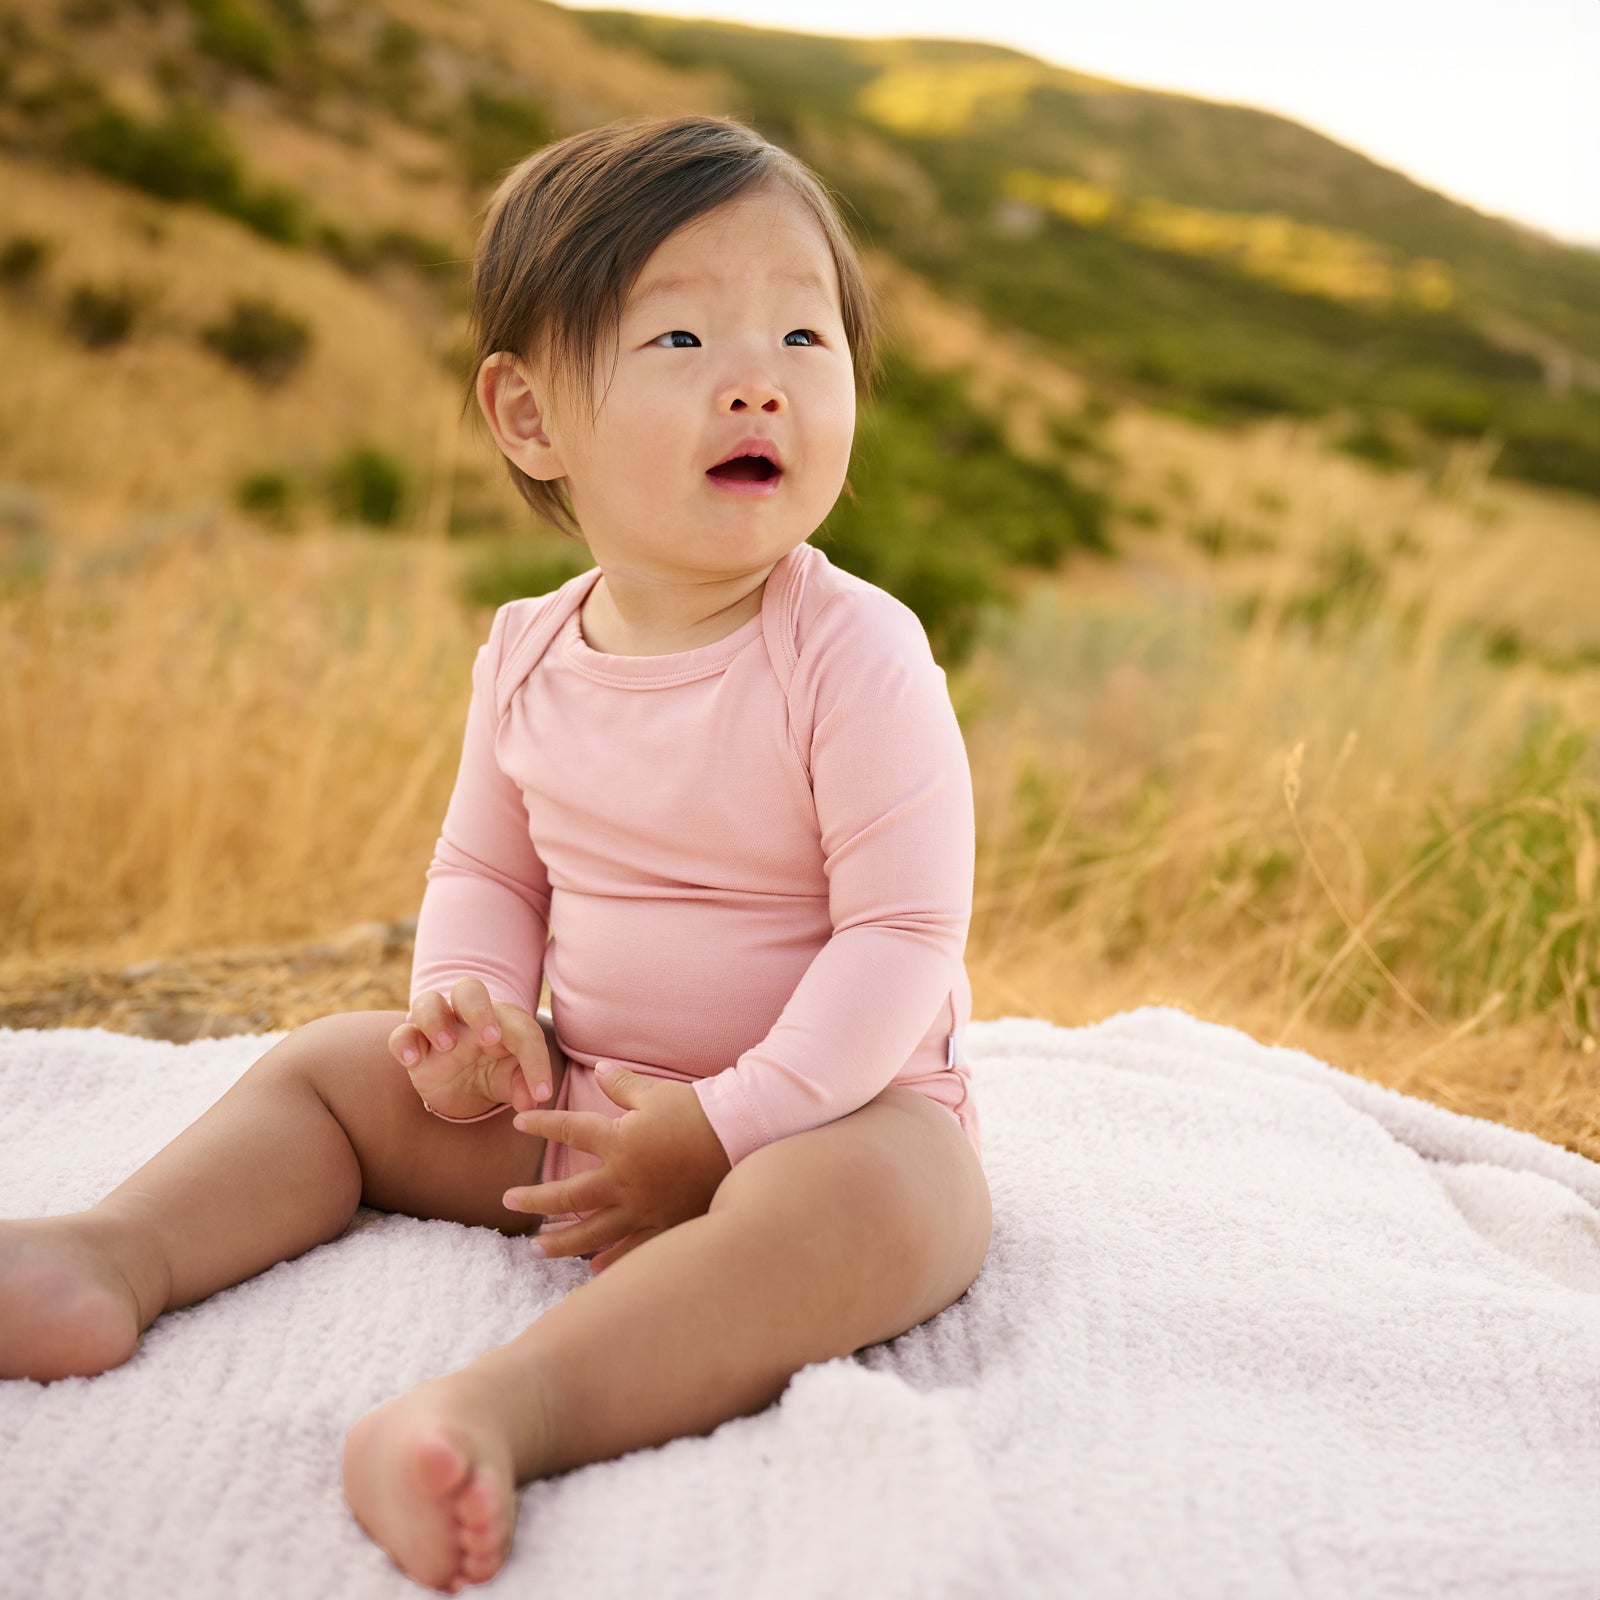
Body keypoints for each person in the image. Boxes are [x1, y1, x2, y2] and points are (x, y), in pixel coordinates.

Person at [0, 113, 993, 1593]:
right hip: (584, 1115)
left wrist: (727, 1130)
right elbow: (490, 874)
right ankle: (110, 1254)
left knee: (885, 1208)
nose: (757, 378)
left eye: (805, 333)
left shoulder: (852, 650)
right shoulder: (530, 651)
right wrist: (470, 1000)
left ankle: (505, 1407)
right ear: (532, 420)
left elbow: (901, 943)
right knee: (335, 1072)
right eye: (679, 341)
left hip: (828, 1120)